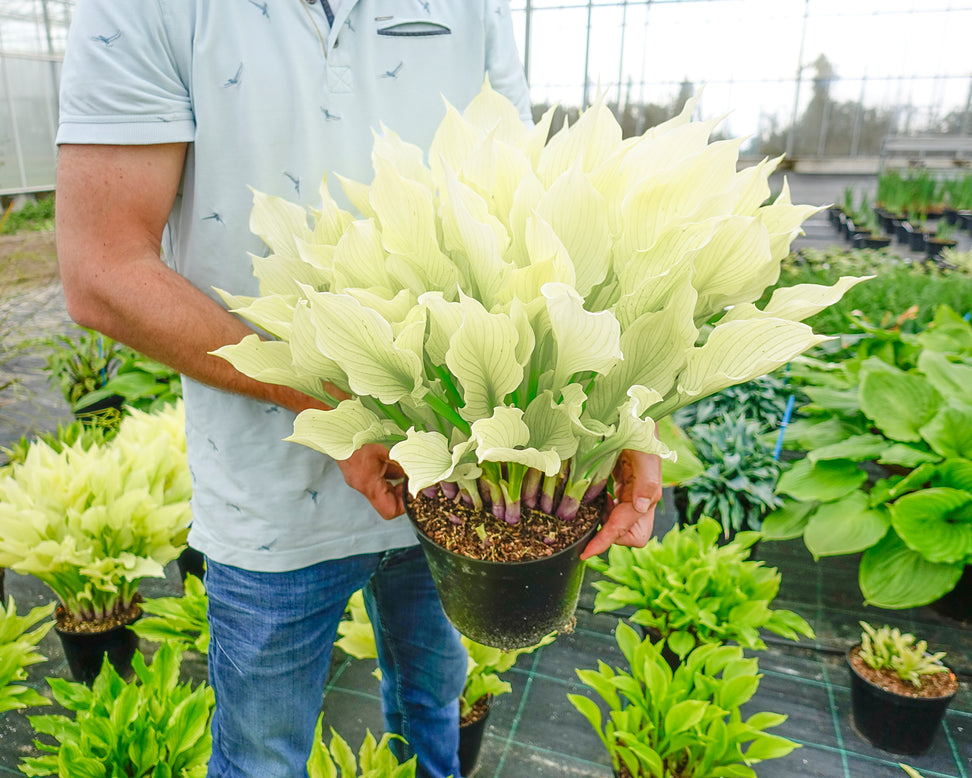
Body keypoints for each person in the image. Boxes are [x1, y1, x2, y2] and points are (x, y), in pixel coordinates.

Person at [54, 2, 662, 777]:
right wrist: (333, 401)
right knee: (263, 759)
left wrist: (621, 418)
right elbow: (103, 272)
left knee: (434, 722)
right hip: (271, 494)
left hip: (457, 482)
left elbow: (526, 213)